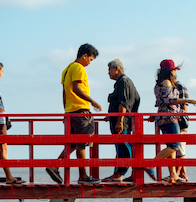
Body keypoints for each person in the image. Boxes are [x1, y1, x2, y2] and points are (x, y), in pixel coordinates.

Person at [47, 43, 102, 185]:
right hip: (81, 111)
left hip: (70, 111)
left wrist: (65, 111)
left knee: (72, 143)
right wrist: (93, 102)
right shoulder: (79, 68)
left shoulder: (67, 69)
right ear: (84, 56)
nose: (90, 62)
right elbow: (77, 88)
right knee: (82, 143)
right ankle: (83, 176)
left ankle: (55, 165)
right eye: (90, 59)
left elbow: (65, 93)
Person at [152, 59, 196, 184]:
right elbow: (170, 100)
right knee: (174, 146)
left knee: (170, 146)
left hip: (164, 118)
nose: (175, 73)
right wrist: (187, 101)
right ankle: (150, 165)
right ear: (170, 71)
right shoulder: (167, 82)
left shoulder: (160, 83)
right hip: (170, 118)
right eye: (174, 70)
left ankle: (173, 175)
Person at [101, 59, 147, 183]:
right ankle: (133, 171)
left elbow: (123, 102)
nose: (108, 73)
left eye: (109, 69)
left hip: (123, 122)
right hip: (122, 120)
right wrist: (111, 115)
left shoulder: (124, 82)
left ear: (117, 68)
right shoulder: (122, 82)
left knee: (123, 146)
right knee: (123, 145)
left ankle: (119, 173)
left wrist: (119, 120)